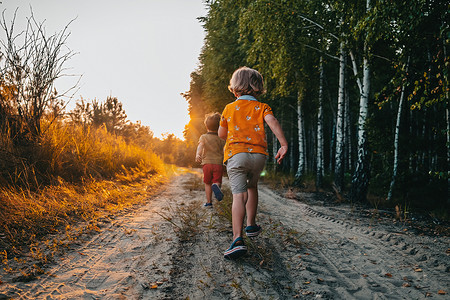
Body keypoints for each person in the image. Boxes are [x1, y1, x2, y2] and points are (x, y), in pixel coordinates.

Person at [218, 66, 288, 260]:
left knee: (238, 195)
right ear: (258, 87)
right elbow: (272, 121)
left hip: (236, 155)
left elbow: (221, 134)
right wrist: (283, 144)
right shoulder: (262, 107)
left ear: (234, 88)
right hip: (258, 156)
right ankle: (251, 224)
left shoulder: (229, 108)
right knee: (253, 187)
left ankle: (237, 239)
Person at [196, 112, 226, 207]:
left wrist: (198, 154)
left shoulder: (204, 137)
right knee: (217, 181)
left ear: (206, 126)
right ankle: (216, 186)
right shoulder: (221, 138)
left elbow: (200, 146)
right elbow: (224, 150)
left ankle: (209, 202)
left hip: (207, 164)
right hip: (218, 163)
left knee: (207, 183)